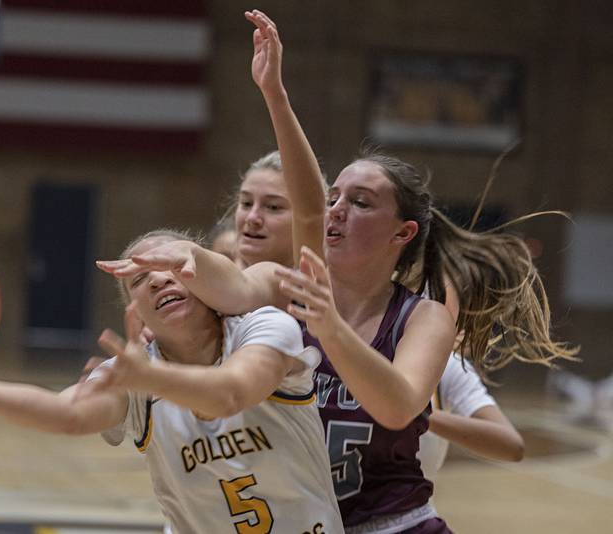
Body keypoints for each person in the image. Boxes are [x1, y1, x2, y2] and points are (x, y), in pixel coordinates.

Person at [99, 10, 576, 532]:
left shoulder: (423, 318)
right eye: (333, 199)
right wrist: (188, 265)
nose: (336, 211)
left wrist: (330, 330)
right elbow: (236, 278)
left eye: (362, 202)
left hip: (393, 524)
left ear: (403, 233)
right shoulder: (287, 287)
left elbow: (396, 408)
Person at [0, 229, 344, 534]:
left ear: (208, 283)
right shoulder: (133, 372)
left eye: (169, 269)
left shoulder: (265, 327)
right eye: (139, 280)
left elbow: (232, 393)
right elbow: (68, 413)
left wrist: (154, 377)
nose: (158, 279)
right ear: (137, 313)